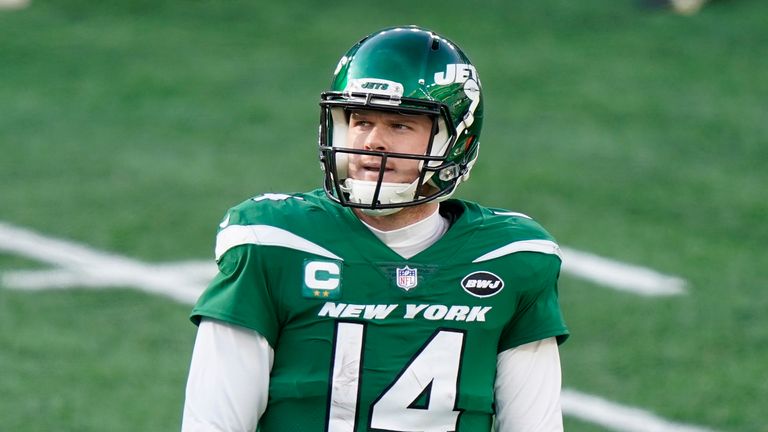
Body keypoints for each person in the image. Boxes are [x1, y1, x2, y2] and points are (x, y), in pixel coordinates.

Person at [182, 25, 569, 432]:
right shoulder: (273, 242)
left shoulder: (511, 259)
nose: (372, 141)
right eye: (360, 121)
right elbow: (213, 422)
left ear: (452, 143)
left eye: (400, 125)